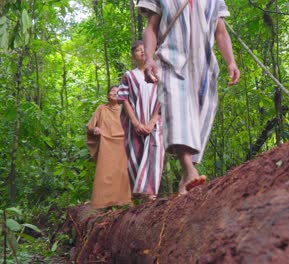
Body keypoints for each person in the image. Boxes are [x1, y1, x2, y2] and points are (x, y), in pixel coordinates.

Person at [137, 0, 240, 195]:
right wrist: (149, 58)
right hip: (171, 61)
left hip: (204, 67)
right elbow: (151, 27)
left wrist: (231, 62)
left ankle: (185, 177)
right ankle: (190, 170)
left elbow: (221, 32)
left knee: (201, 114)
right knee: (177, 110)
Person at [118, 40, 165, 200]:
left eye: (145, 48)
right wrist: (136, 123)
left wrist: (152, 122)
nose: (142, 52)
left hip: (155, 120)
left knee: (156, 148)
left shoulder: (159, 73)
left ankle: (150, 192)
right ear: (133, 56)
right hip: (135, 122)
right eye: (138, 50)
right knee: (135, 154)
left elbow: (163, 98)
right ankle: (143, 198)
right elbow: (124, 99)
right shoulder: (128, 76)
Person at [86, 85, 132, 209]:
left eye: (117, 92)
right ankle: (103, 203)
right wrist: (95, 128)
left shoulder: (125, 108)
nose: (114, 93)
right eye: (112, 91)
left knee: (122, 173)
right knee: (104, 173)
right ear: (107, 95)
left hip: (122, 143)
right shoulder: (101, 109)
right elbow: (90, 125)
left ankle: (124, 201)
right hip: (106, 143)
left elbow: (132, 124)